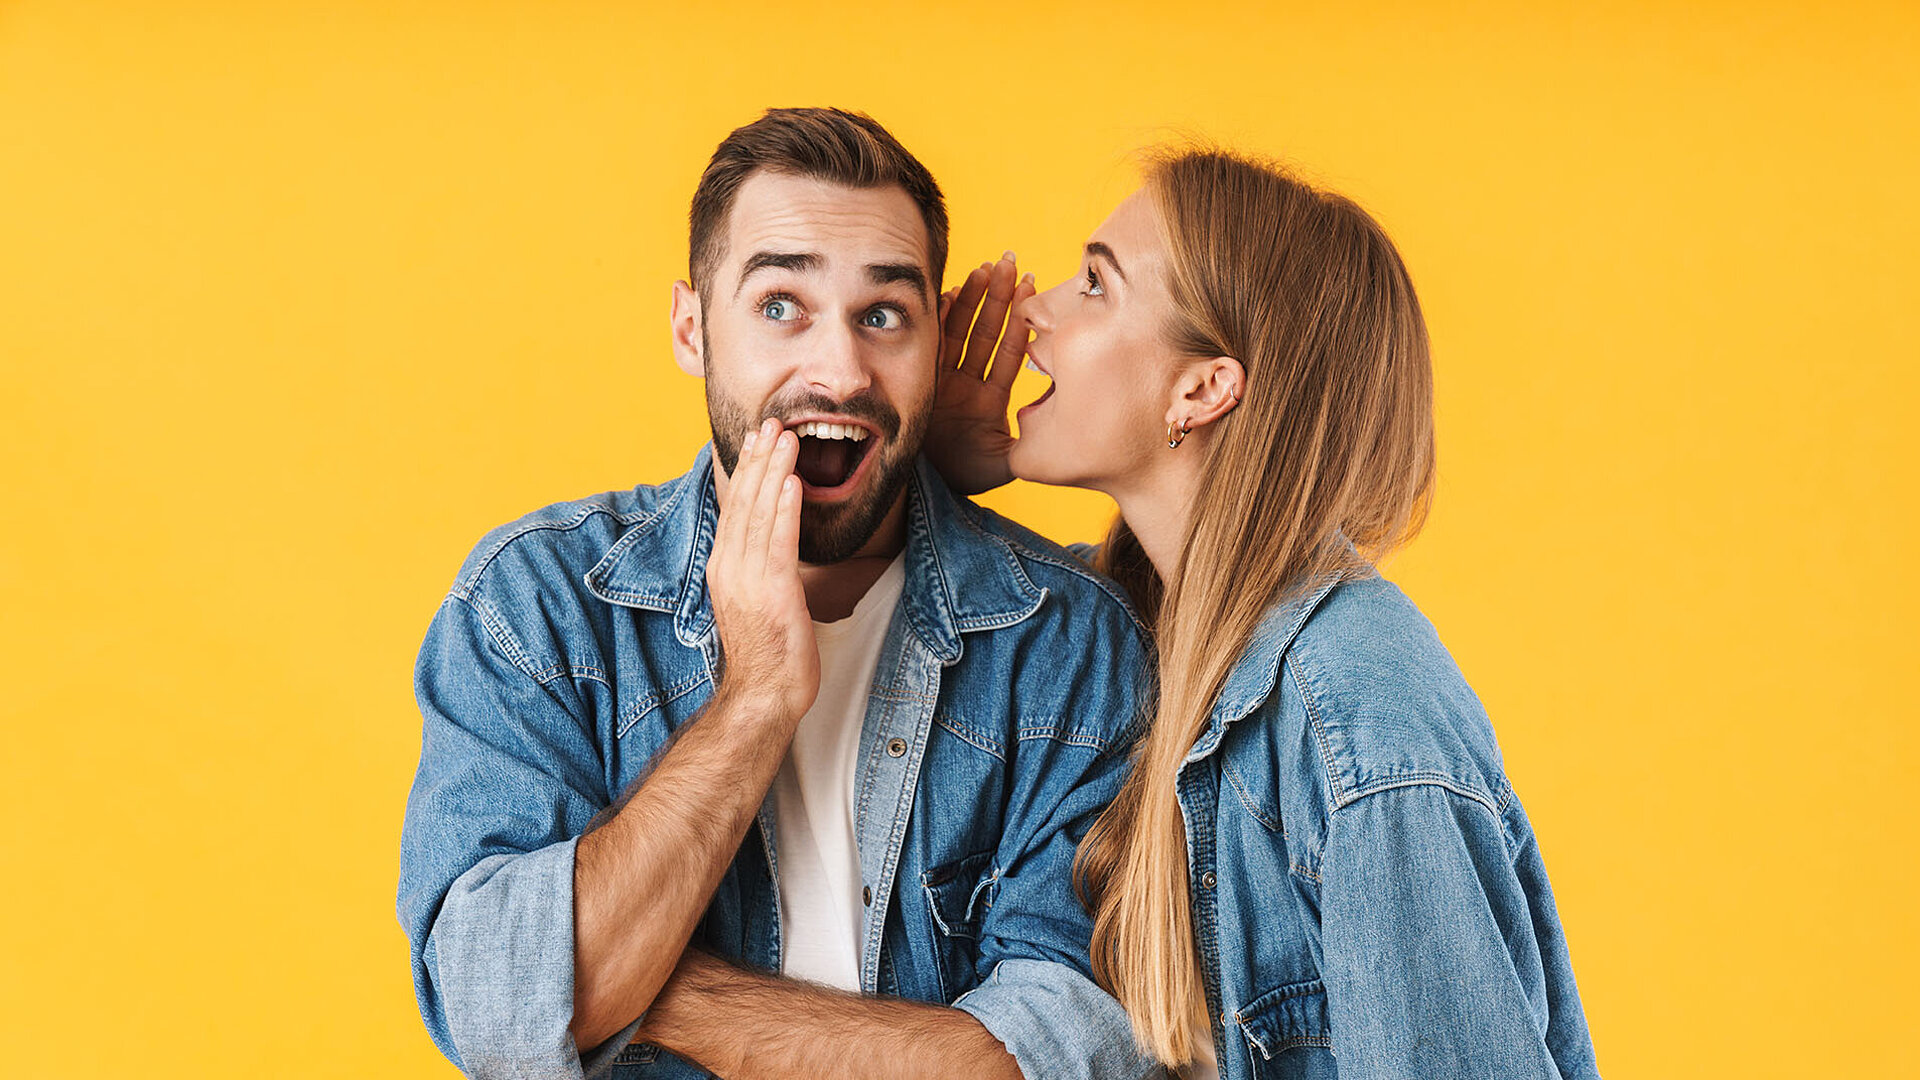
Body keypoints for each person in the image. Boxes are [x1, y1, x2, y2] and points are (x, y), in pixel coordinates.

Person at [396, 107, 1159, 1080]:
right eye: (779, 308)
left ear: (936, 340)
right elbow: (494, 1013)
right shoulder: (538, 607)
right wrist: (756, 697)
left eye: (884, 316)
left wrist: (641, 981)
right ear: (690, 329)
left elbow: (1062, 1058)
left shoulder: (1070, 640)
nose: (840, 370)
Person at [931, 147, 1600, 1078]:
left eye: (1095, 284)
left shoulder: (1357, 708)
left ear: (1203, 389)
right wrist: (935, 481)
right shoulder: (1127, 636)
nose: (1034, 309)